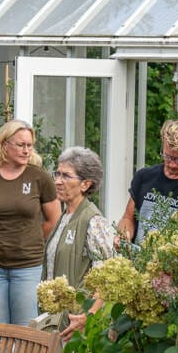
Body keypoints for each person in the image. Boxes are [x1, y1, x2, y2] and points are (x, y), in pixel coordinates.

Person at [0, 119, 60, 325]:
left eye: (30, 145)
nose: (27, 150)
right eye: (21, 145)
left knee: (24, 326)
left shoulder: (39, 178)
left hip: (27, 266)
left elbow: (53, 218)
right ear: (5, 145)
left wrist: (30, 239)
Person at [42, 146, 116, 341]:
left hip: (78, 326)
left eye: (66, 176)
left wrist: (88, 316)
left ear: (85, 184)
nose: (58, 181)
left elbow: (107, 278)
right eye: (57, 173)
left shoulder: (94, 221)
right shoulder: (64, 217)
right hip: (58, 322)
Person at [117, 119, 178, 245]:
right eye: (167, 156)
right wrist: (123, 235)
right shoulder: (144, 177)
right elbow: (128, 217)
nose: (172, 164)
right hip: (137, 260)